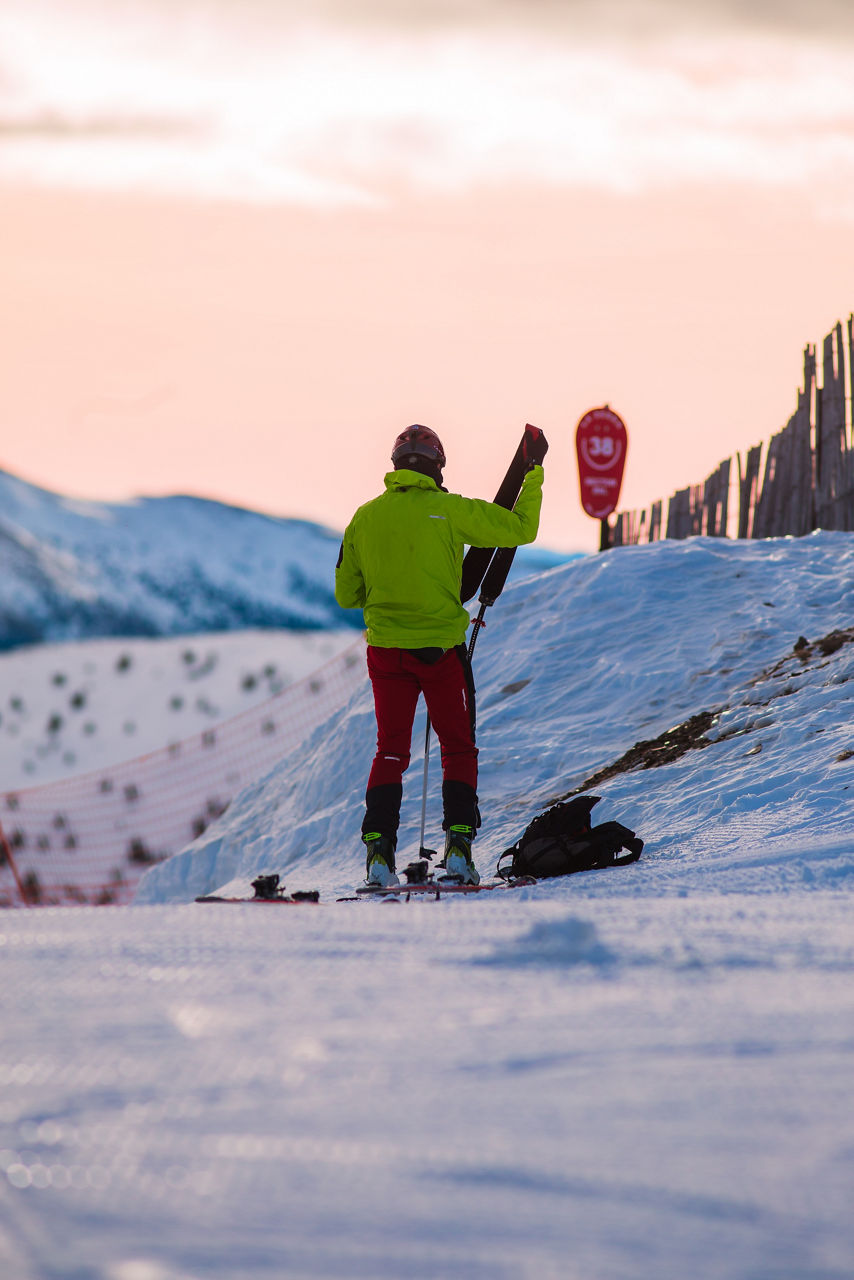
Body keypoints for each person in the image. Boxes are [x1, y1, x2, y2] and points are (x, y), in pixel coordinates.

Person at [335, 425, 544, 887]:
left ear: (395, 466)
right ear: (437, 467)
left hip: (387, 653)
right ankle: (458, 850)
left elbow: (347, 595)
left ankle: (378, 857)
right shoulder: (450, 510)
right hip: (440, 653)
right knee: (457, 748)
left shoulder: (364, 518)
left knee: (389, 751)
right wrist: (533, 476)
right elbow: (521, 530)